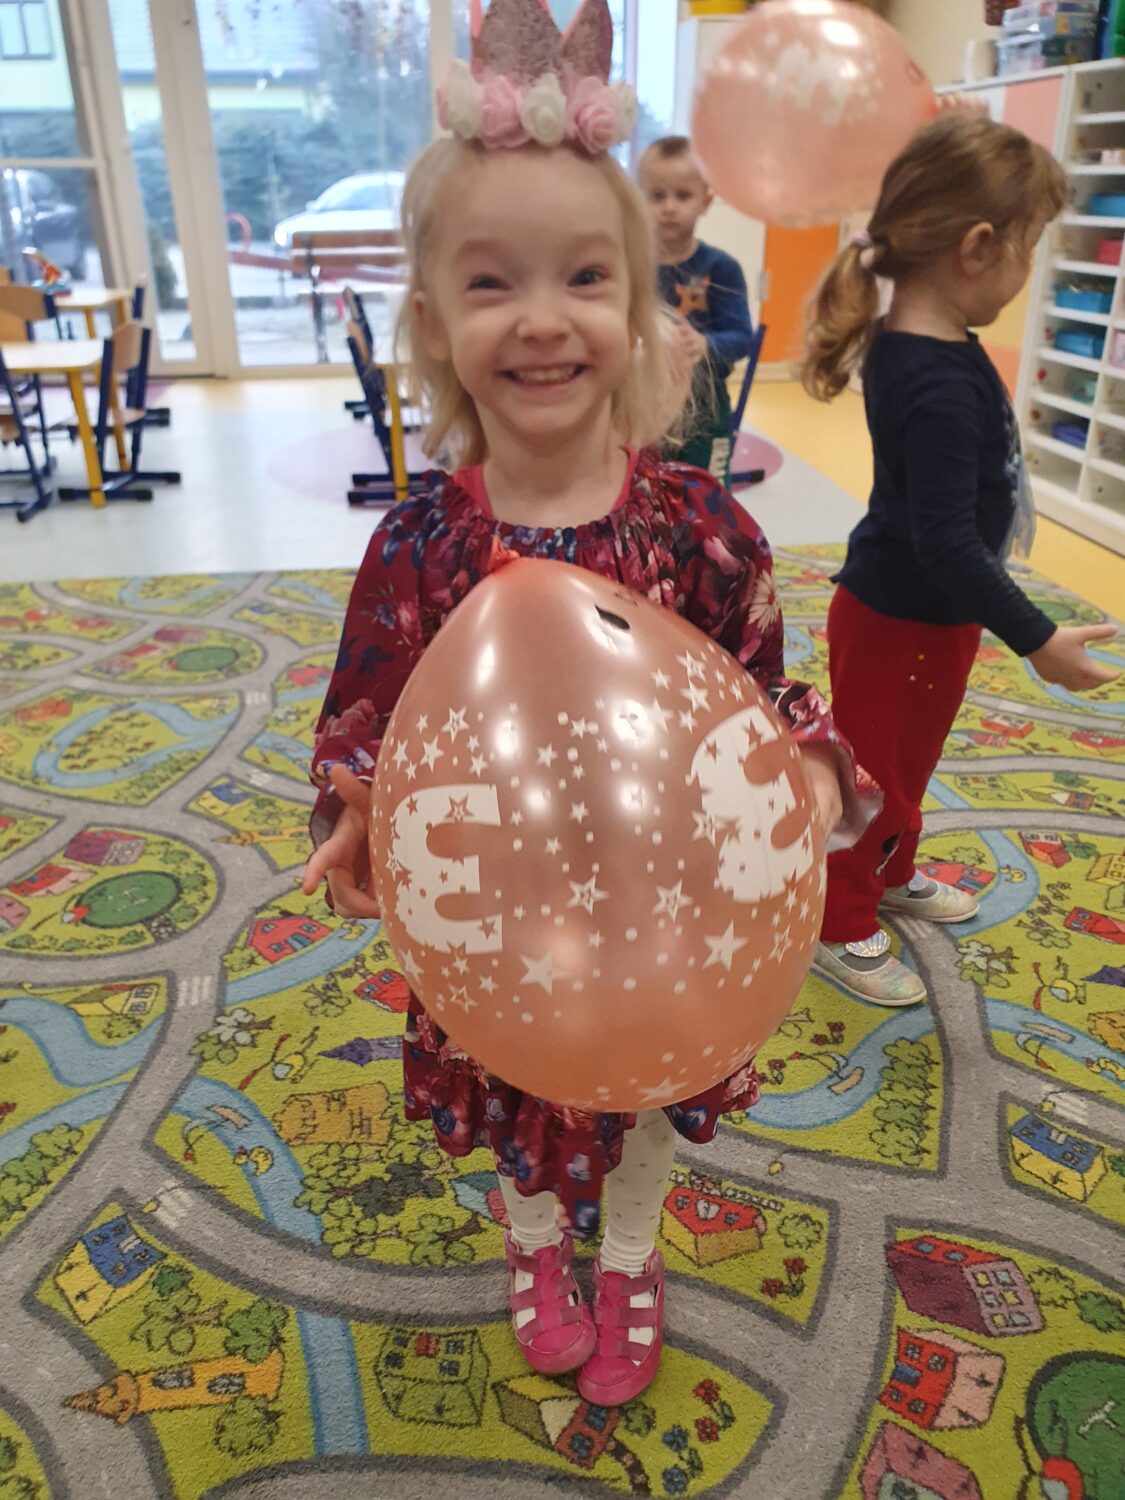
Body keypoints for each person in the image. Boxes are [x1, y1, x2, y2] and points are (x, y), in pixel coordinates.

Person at [302, 0, 872, 1407]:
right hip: (491, 924)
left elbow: (763, 687)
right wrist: (356, 808)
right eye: (492, 283)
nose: (544, 318)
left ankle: (626, 1254)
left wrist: (805, 771)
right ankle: (533, 1243)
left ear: (641, 305)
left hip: (668, 919)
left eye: (584, 277)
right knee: (508, 1085)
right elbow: (367, 714)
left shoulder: (699, 529)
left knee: (647, 1091)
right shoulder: (419, 544)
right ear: (434, 322)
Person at [801, 114, 1120, 1009]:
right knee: (872, 775)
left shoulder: (931, 344)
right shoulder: (932, 378)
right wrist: (1038, 639)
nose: (1027, 271)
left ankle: (890, 873)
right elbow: (942, 539)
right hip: (897, 615)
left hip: (928, 612)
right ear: (978, 247)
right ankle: (838, 921)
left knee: (909, 761)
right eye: (1028, 246)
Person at [638, 135, 755, 484]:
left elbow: (741, 337)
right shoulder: (629, 267)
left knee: (707, 492)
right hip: (643, 402)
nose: (669, 207)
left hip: (706, 408)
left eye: (682, 195)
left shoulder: (721, 268)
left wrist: (706, 345)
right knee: (643, 487)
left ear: (705, 201)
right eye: (656, 196)